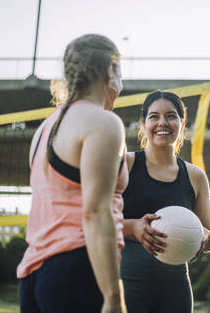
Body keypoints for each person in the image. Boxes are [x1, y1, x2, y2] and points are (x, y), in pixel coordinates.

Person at [17, 34, 127, 313]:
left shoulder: (45, 129)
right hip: (78, 268)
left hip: (33, 275)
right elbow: (95, 211)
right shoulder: (103, 122)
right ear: (110, 70)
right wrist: (114, 297)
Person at [120, 90, 210, 313]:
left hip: (176, 290)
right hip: (127, 284)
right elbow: (96, 220)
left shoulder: (195, 176)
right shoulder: (125, 165)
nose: (162, 122)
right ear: (143, 124)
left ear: (182, 124)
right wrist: (134, 227)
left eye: (171, 116)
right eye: (154, 116)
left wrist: (204, 237)